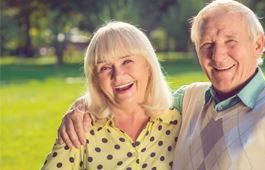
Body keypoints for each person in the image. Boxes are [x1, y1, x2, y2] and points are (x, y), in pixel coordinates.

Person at [57, 0, 265, 169]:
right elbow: (135, 95)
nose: (218, 55)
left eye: (230, 41)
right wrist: (83, 106)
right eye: (206, 44)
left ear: (257, 45)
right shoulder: (188, 100)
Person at [40, 21, 181, 170]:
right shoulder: (80, 129)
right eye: (105, 67)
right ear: (95, 79)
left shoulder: (180, 123)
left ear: (149, 65)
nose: (118, 76)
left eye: (127, 61)